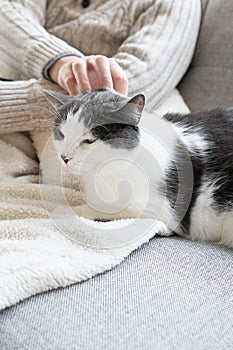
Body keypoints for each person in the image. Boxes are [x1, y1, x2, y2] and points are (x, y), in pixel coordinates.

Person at [0, 0, 201, 134]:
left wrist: (8, 101)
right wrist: (60, 61)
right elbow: (7, 16)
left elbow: (126, 92)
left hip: (67, 131)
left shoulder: (177, 4)